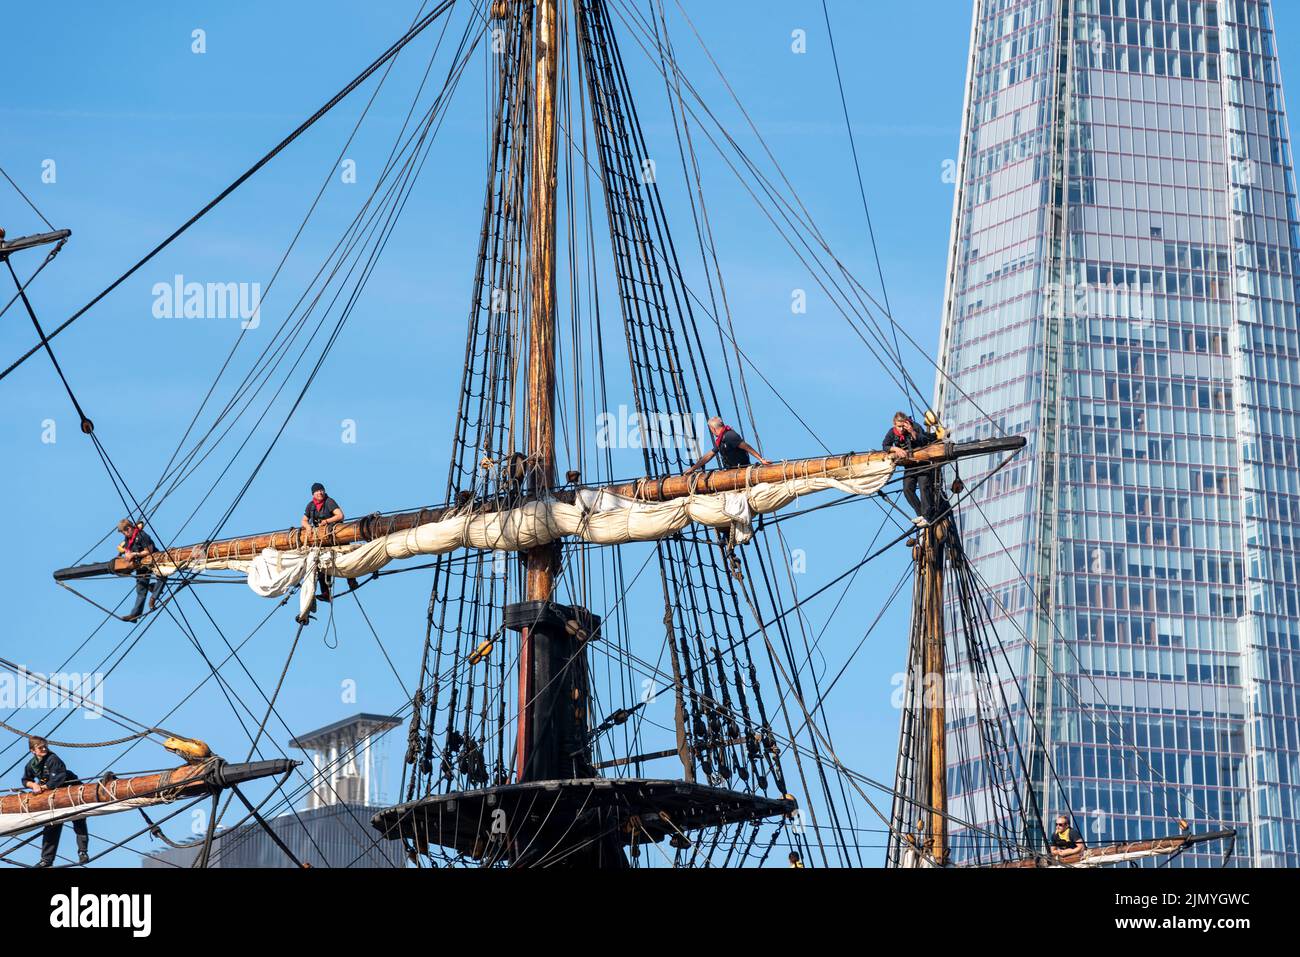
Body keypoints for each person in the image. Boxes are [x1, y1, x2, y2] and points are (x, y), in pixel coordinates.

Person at [22, 736, 90, 867]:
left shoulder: (53, 759)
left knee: (79, 819)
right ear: (32, 750)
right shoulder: (32, 764)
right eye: (40, 747)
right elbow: (25, 779)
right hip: (54, 795)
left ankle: (83, 852)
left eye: (45, 746)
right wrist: (32, 785)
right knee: (51, 824)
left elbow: (58, 779)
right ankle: (46, 860)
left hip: (71, 789)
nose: (44, 749)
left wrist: (41, 787)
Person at [882, 412, 941, 527]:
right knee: (907, 489)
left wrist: (912, 432)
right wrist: (896, 449)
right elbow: (885, 445)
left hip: (922, 463)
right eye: (899, 426)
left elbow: (924, 441)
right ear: (894, 425)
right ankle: (921, 514)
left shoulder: (915, 426)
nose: (901, 429)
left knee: (924, 487)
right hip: (909, 465)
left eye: (903, 426)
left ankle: (927, 516)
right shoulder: (892, 432)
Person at [298, 483, 344, 622]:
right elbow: (303, 520)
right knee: (320, 566)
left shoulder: (329, 502)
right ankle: (325, 593)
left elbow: (340, 515)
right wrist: (308, 527)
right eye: (317, 491)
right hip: (320, 540)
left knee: (342, 558)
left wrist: (326, 521)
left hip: (334, 535)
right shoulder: (311, 506)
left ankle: (351, 581)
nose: (320, 493)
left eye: (321, 490)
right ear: (313, 494)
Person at [686, 417, 771, 473]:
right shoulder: (720, 440)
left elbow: (746, 447)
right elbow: (709, 455)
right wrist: (693, 468)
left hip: (741, 470)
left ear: (713, 429)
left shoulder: (730, 436)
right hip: (731, 472)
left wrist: (761, 459)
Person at [118, 518, 163, 623]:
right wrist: (127, 554)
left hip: (153, 559)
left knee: (162, 576)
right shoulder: (128, 538)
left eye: (124, 532)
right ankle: (135, 615)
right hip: (141, 564)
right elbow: (127, 548)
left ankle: (153, 597)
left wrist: (134, 554)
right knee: (141, 589)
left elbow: (149, 550)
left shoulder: (142, 536)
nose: (123, 534)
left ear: (128, 529)